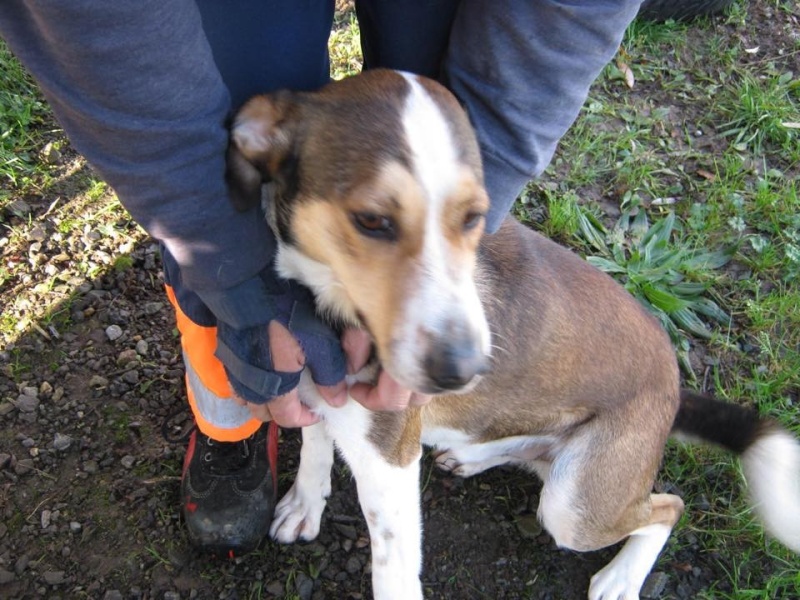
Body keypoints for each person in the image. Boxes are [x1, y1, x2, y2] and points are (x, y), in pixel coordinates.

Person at [0, 0, 643, 556]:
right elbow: (118, 60)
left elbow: (547, 45)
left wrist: (482, 168)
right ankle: (230, 424)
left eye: (468, 218)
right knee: (219, 165)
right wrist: (233, 272)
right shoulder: (260, 133)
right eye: (375, 220)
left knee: (413, 132)